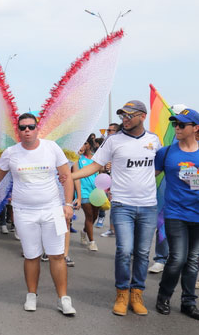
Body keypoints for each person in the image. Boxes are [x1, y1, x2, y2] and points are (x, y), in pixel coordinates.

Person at [73, 100, 161, 316]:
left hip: (149, 206)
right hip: (122, 205)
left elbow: (157, 169)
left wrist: (143, 183)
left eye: (130, 115)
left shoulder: (153, 140)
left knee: (142, 252)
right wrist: (70, 176)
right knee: (124, 251)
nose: (125, 119)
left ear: (143, 116)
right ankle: (122, 293)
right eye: (122, 115)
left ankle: (136, 293)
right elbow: (95, 165)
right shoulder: (113, 141)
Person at [0, 113, 76, 315]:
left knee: (57, 255)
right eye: (23, 127)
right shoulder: (11, 153)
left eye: (30, 127)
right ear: (18, 131)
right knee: (31, 256)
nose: (27, 130)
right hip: (24, 212)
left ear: (37, 129)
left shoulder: (51, 148)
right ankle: (31, 295)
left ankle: (63, 299)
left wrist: (68, 204)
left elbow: (66, 177)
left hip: (52, 210)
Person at [154, 109, 199, 319]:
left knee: (193, 260)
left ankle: (188, 302)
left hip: (197, 215)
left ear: (195, 128)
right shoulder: (166, 152)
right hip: (175, 213)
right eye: (175, 124)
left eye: (182, 125)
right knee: (178, 258)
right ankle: (164, 296)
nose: (177, 128)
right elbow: (148, 176)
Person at [73, 137, 101, 252]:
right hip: (84, 192)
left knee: (95, 216)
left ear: (89, 145)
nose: (82, 146)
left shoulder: (96, 158)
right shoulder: (77, 158)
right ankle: (92, 242)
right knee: (89, 216)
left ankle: (84, 231)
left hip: (96, 191)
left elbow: (101, 172)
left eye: (84, 143)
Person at [97, 123, 121, 230]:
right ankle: (101, 217)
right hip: (105, 179)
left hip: (119, 182)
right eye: (107, 130)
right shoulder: (105, 145)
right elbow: (98, 167)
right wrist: (105, 168)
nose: (108, 132)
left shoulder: (122, 146)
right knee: (103, 200)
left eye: (110, 130)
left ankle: (113, 228)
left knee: (116, 205)